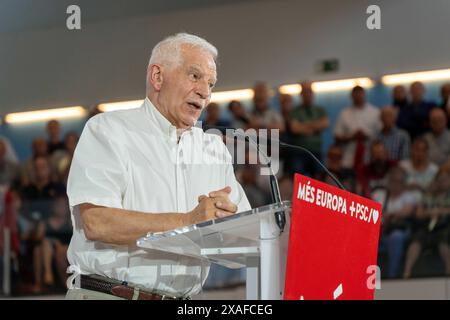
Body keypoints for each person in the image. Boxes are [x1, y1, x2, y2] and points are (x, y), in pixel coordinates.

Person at [65, 33, 251, 300]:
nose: (205, 92)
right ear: (158, 77)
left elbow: (243, 247)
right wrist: (189, 221)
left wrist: (226, 226)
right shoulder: (108, 130)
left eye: (211, 83)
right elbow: (97, 222)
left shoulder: (214, 150)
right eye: (195, 76)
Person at [403, 170, 450, 278]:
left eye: (446, 179)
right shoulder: (428, 195)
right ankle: (406, 273)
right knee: (416, 242)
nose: (443, 182)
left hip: (445, 226)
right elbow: (419, 213)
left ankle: (448, 273)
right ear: (436, 181)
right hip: (427, 226)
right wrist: (429, 213)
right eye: (440, 180)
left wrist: (440, 211)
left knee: (444, 242)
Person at [287, 81, 329, 177]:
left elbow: (325, 124)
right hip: (299, 152)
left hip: (317, 151)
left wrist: (304, 125)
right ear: (301, 94)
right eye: (305, 92)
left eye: (309, 91)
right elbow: (295, 129)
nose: (307, 94)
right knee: (297, 178)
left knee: (320, 178)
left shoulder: (320, 110)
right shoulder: (295, 111)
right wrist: (315, 126)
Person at [334, 86, 381, 170]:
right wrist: (352, 137)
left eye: (360, 94)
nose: (358, 96)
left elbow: (380, 135)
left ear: (364, 94)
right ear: (351, 96)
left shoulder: (375, 112)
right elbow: (337, 136)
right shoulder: (344, 113)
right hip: (348, 159)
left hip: (369, 159)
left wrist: (367, 136)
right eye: (355, 94)